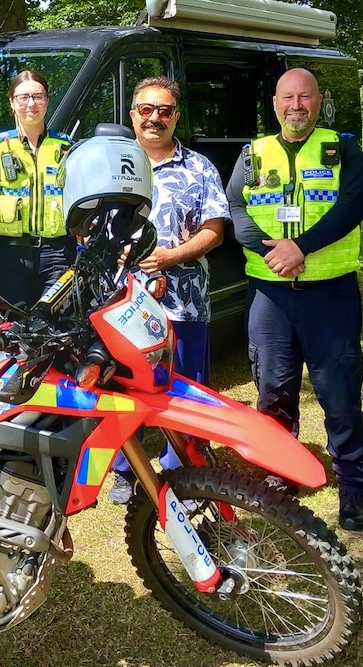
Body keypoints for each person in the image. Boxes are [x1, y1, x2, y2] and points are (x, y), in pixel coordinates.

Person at [225, 67, 363, 531]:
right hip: (270, 295)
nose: (296, 105)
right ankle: (279, 476)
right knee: (272, 390)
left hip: (330, 294)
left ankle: (352, 484)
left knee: (340, 390)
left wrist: (301, 247)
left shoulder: (342, 148)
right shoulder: (253, 153)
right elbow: (236, 208)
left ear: (319, 101)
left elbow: (353, 204)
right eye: (288, 97)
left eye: (305, 97)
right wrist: (274, 253)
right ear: (274, 103)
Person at [108, 76, 229, 505]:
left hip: (184, 300)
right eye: (146, 109)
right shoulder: (113, 164)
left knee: (186, 385)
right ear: (132, 114)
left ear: (176, 115)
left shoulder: (199, 168)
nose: (154, 118)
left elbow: (214, 231)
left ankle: (187, 469)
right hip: (123, 304)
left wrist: (170, 256)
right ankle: (126, 468)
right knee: (126, 384)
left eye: (164, 110)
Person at [0, 70, 75, 307]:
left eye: (38, 96)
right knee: (14, 330)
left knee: (57, 329)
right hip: (10, 258)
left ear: (47, 100)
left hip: (57, 256)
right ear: (12, 103)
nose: (31, 104)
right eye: (23, 97)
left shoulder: (67, 149)